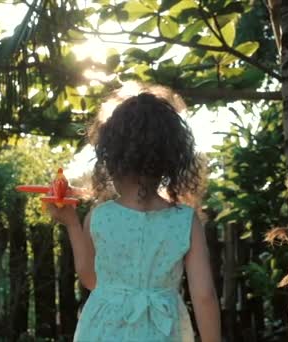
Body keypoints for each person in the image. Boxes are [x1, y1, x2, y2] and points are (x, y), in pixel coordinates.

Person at [47, 84, 221, 342]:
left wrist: (71, 223)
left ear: (111, 157)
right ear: (170, 161)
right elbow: (204, 295)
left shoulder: (99, 217)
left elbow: (91, 279)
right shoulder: (185, 220)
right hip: (162, 332)